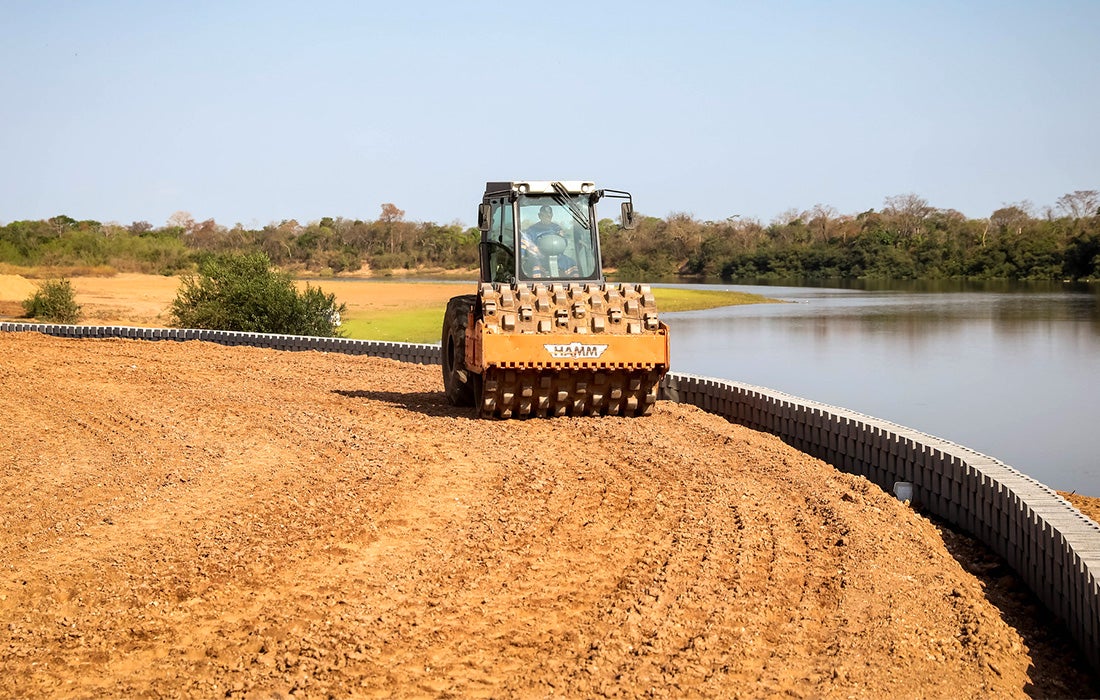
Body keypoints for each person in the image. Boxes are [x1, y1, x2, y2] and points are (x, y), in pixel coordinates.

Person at [521, 205, 577, 278]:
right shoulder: (532, 230)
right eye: (544, 215)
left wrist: (562, 238)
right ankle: (538, 285)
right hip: (539, 257)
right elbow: (524, 243)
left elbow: (564, 242)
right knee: (536, 266)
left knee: (571, 263)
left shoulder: (556, 228)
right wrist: (523, 255)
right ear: (539, 216)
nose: (547, 217)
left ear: (552, 215)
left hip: (557, 257)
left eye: (549, 215)